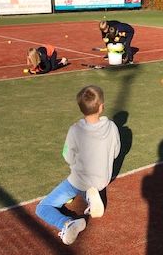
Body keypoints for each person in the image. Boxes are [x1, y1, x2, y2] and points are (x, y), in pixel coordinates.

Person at [35, 85, 121, 245]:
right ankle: (90, 196)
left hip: (79, 181)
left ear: (81, 108)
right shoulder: (112, 127)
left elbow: (67, 156)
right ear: (101, 107)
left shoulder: (75, 130)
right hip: (102, 179)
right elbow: (115, 152)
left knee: (42, 207)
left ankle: (66, 223)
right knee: (84, 184)